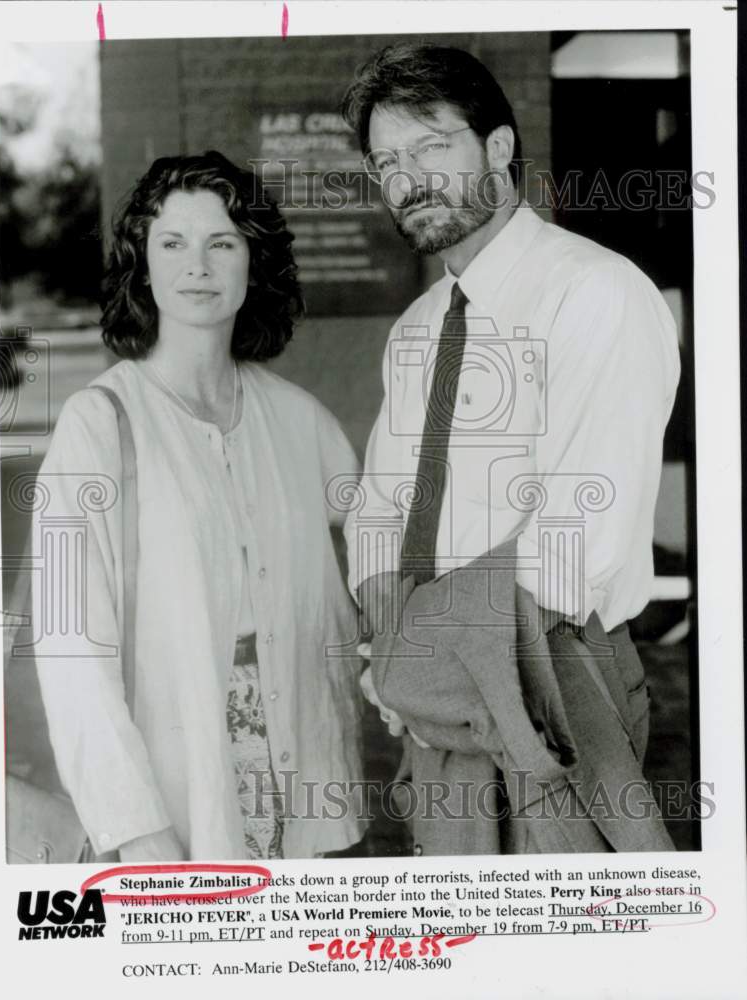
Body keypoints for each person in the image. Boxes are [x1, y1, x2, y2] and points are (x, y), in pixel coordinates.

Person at [341, 44, 680, 853]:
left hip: (555, 678)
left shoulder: (594, 293)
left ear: (497, 148)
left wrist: (407, 662)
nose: (409, 178)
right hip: (436, 699)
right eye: (387, 161)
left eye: (431, 146)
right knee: (460, 945)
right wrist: (405, 655)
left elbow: (573, 546)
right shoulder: (420, 327)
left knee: (568, 942)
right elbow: (378, 514)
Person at [27, 151, 366, 861]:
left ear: (253, 262)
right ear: (142, 266)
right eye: (172, 243)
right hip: (174, 796)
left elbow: (378, 564)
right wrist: (136, 829)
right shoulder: (96, 426)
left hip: (312, 793)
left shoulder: (302, 421)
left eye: (222, 243)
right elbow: (68, 647)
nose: (197, 266)